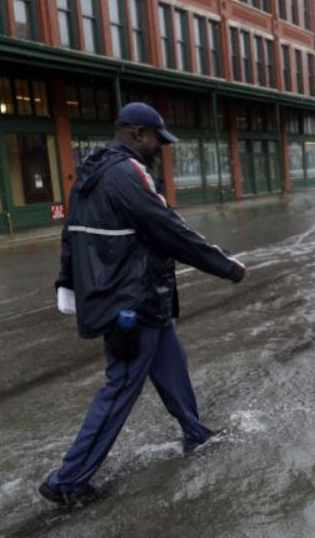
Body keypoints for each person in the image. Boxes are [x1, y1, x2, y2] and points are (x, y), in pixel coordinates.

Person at [42, 103, 246, 507]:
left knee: (171, 366)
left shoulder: (91, 173)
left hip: (137, 298)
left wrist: (68, 286)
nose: (161, 149)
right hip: (132, 301)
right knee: (120, 388)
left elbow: (72, 237)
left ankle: (195, 433)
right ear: (137, 134)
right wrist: (226, 267)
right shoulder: (128, 174)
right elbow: (168, 229)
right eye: (157, 140)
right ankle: (68, 480)